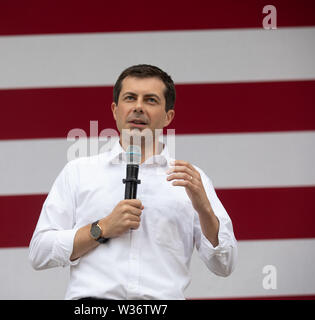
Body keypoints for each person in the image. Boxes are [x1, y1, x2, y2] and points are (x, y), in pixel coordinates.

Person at [29, 64, 238, 300]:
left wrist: (204, 210)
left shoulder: (191, 180)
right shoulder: (78, 172)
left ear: (168, 116)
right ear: (115, 110)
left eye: (150, 100)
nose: (138, 107)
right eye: (130, 98)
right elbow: (39, 252)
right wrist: (102, 228)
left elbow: (224, 264)